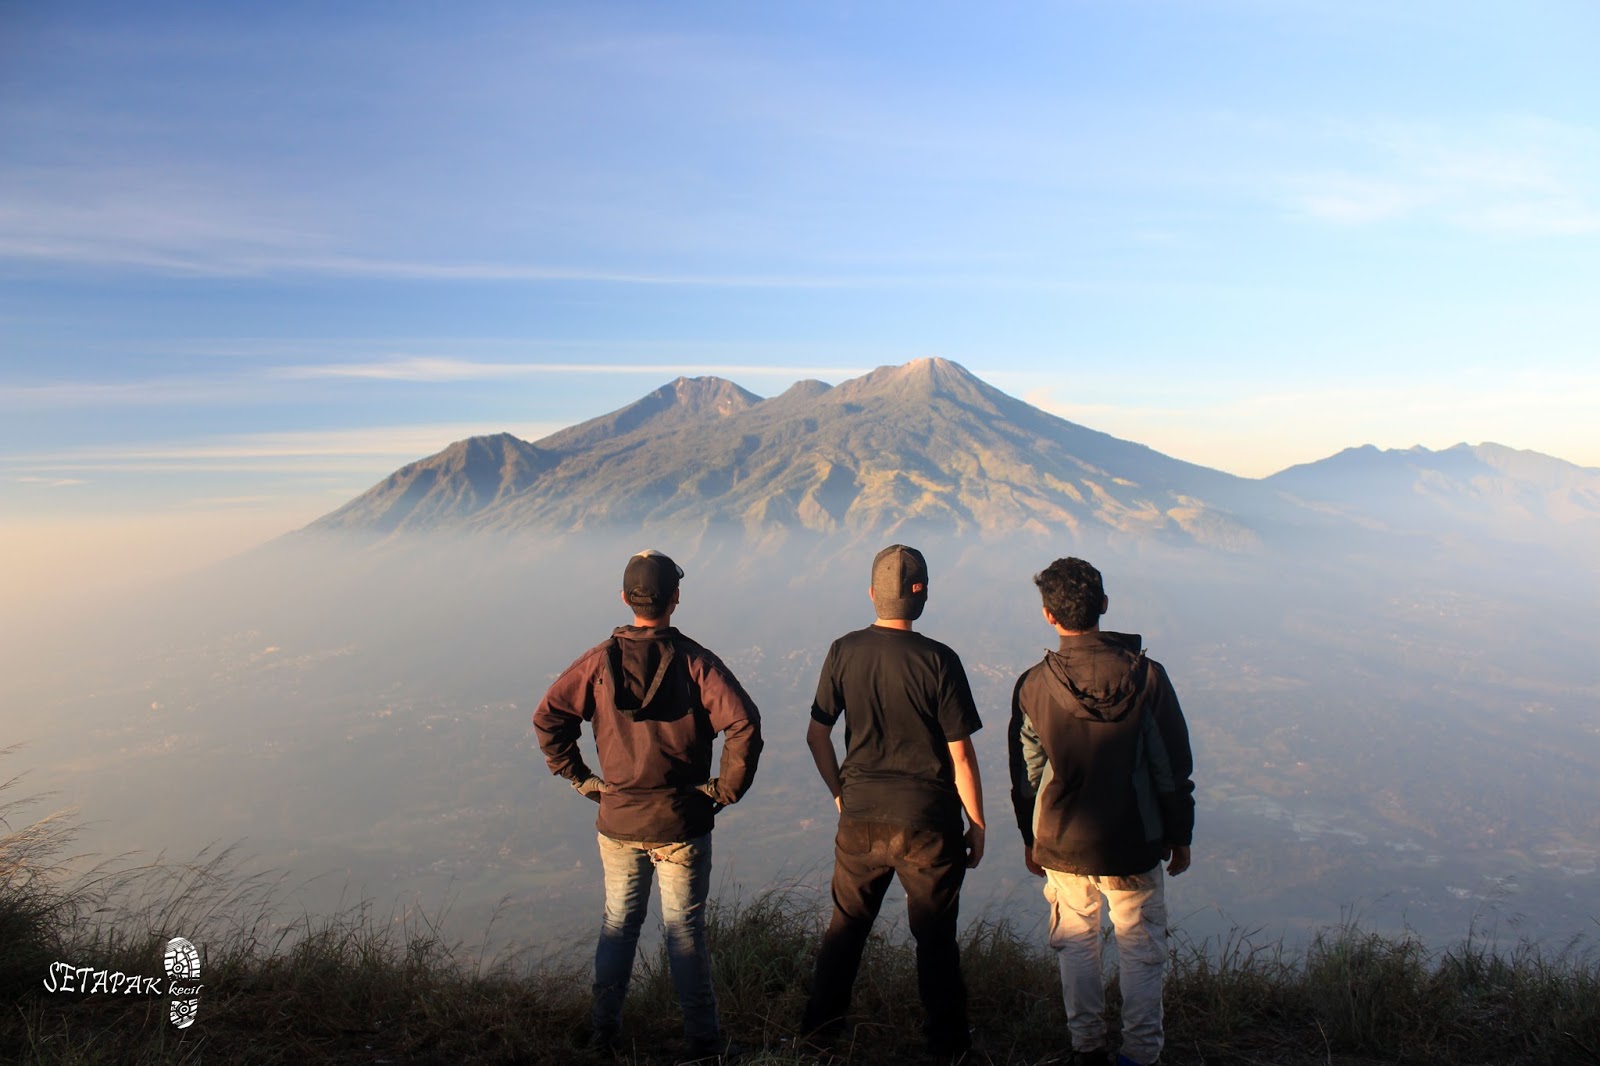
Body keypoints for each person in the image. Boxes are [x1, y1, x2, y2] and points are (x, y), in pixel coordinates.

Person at [533, 549, 763, 1061]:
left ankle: (604, 1034)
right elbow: (743, 722)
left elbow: (548, 717)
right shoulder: (696, 662)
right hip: (681, 821)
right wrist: (722, 791)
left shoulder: (597, 662)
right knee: (685, 933)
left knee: (619, 924)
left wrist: (581, 779)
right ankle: (703, 1045)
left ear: (624, 598)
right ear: (675, 599)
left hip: (617, 819)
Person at [800, 544, 986, 1061]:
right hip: (927, 824)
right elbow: (962, 757)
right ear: (920, 593)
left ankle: (819, 1039)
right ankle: (947, 1047)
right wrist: (978, 823)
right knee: (934, 940)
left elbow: (817, 735)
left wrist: (841, 794)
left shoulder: (843, 650)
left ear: (871, 594)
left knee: (845, 931)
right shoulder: (939, 660)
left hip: (859, 818)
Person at [1008, 557, 1194, 1066]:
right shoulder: (1148, 679)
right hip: (1134, 840)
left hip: (1061, 840)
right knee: (1140, 947)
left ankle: (1086, 1046)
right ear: (1105, 607)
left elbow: (1027, 772)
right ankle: (1139, 1053)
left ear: (1049, 615)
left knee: (1075, 941)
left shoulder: (1033, 685)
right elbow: (1170, 769)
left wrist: (1031, 836)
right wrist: (1180, 834)